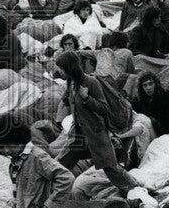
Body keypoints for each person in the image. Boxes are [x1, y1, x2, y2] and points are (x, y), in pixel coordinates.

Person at [55, 51, 138, 193]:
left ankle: (137, 191)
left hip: (96, 135)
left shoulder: (91, 82)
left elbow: (104, 108)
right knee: (58, 166)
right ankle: (47, 196)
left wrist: (87, 98)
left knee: (112, 169)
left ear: (70, 67)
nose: (60, 72)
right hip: (79, 137)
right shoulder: (71, 84)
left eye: (62, 68)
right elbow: (67, 103)